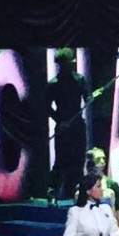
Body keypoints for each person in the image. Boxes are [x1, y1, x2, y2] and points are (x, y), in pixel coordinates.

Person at [47, 48, 89, 202]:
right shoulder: (53, 84)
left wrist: (93, 96)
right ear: (62, 64)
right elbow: (46, 107)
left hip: (77, 124)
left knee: (78, 160)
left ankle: (77, 194)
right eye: (69, 62)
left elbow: (87, 97)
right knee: (61, 161)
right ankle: (52, 192)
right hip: (63, 127)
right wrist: (60, 120)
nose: (73, 63)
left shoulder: (79, 79)